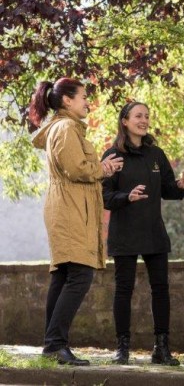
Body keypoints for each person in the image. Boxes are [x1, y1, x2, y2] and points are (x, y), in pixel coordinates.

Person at [30, 78, 124, 366]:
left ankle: (53, 345)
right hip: (70, 208)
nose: (88, 102)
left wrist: (98, 169)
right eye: (84, 96)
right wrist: (103, 168)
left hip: (69, 206)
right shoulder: (66, 127)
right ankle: (55, 343)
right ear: (67, 101)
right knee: (79, 275)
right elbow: (76, 168)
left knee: (64, 276)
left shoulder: (66, 127)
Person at [102, 101, 184, 366]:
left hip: (154, 232)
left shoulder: (156, 155)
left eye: (147, 116)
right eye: (138, 116)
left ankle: (161, 348)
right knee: (123, 290)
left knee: (161, 289)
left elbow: (169, 191)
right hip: (125, 233)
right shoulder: (113, 155)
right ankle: (122, 348)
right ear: (125, 121)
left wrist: (182, 186)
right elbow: (105, 196)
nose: (144, 120)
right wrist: (126, 197)